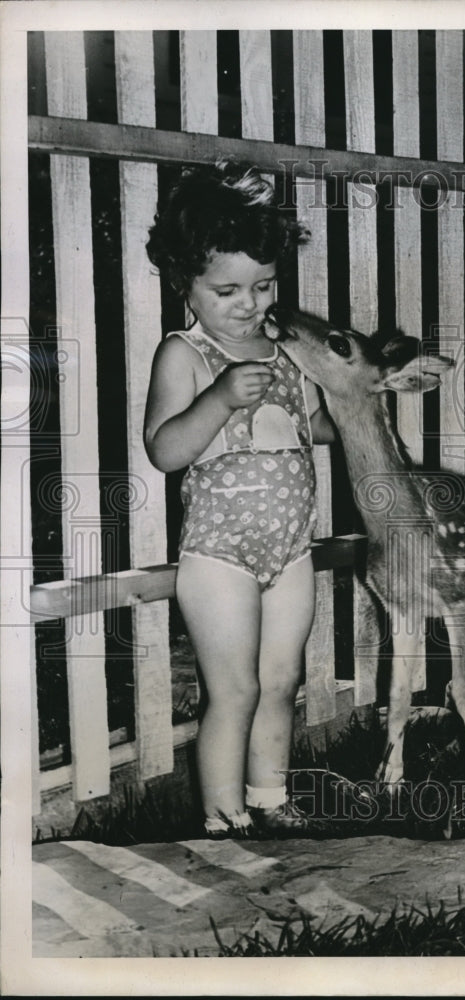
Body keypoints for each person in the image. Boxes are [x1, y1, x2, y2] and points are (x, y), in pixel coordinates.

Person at [144, 162, 334, 838]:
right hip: (219, 554)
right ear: (183, 285)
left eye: (263, 285)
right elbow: (165, 451)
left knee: (281, 681)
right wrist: (219, 398)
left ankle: (269, 797)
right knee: (236, 690)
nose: (249, 303)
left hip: (290, 550)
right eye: (226, 290)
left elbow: (319, 425)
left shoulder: (286, 351)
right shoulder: (185, 355)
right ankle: (221, 818)